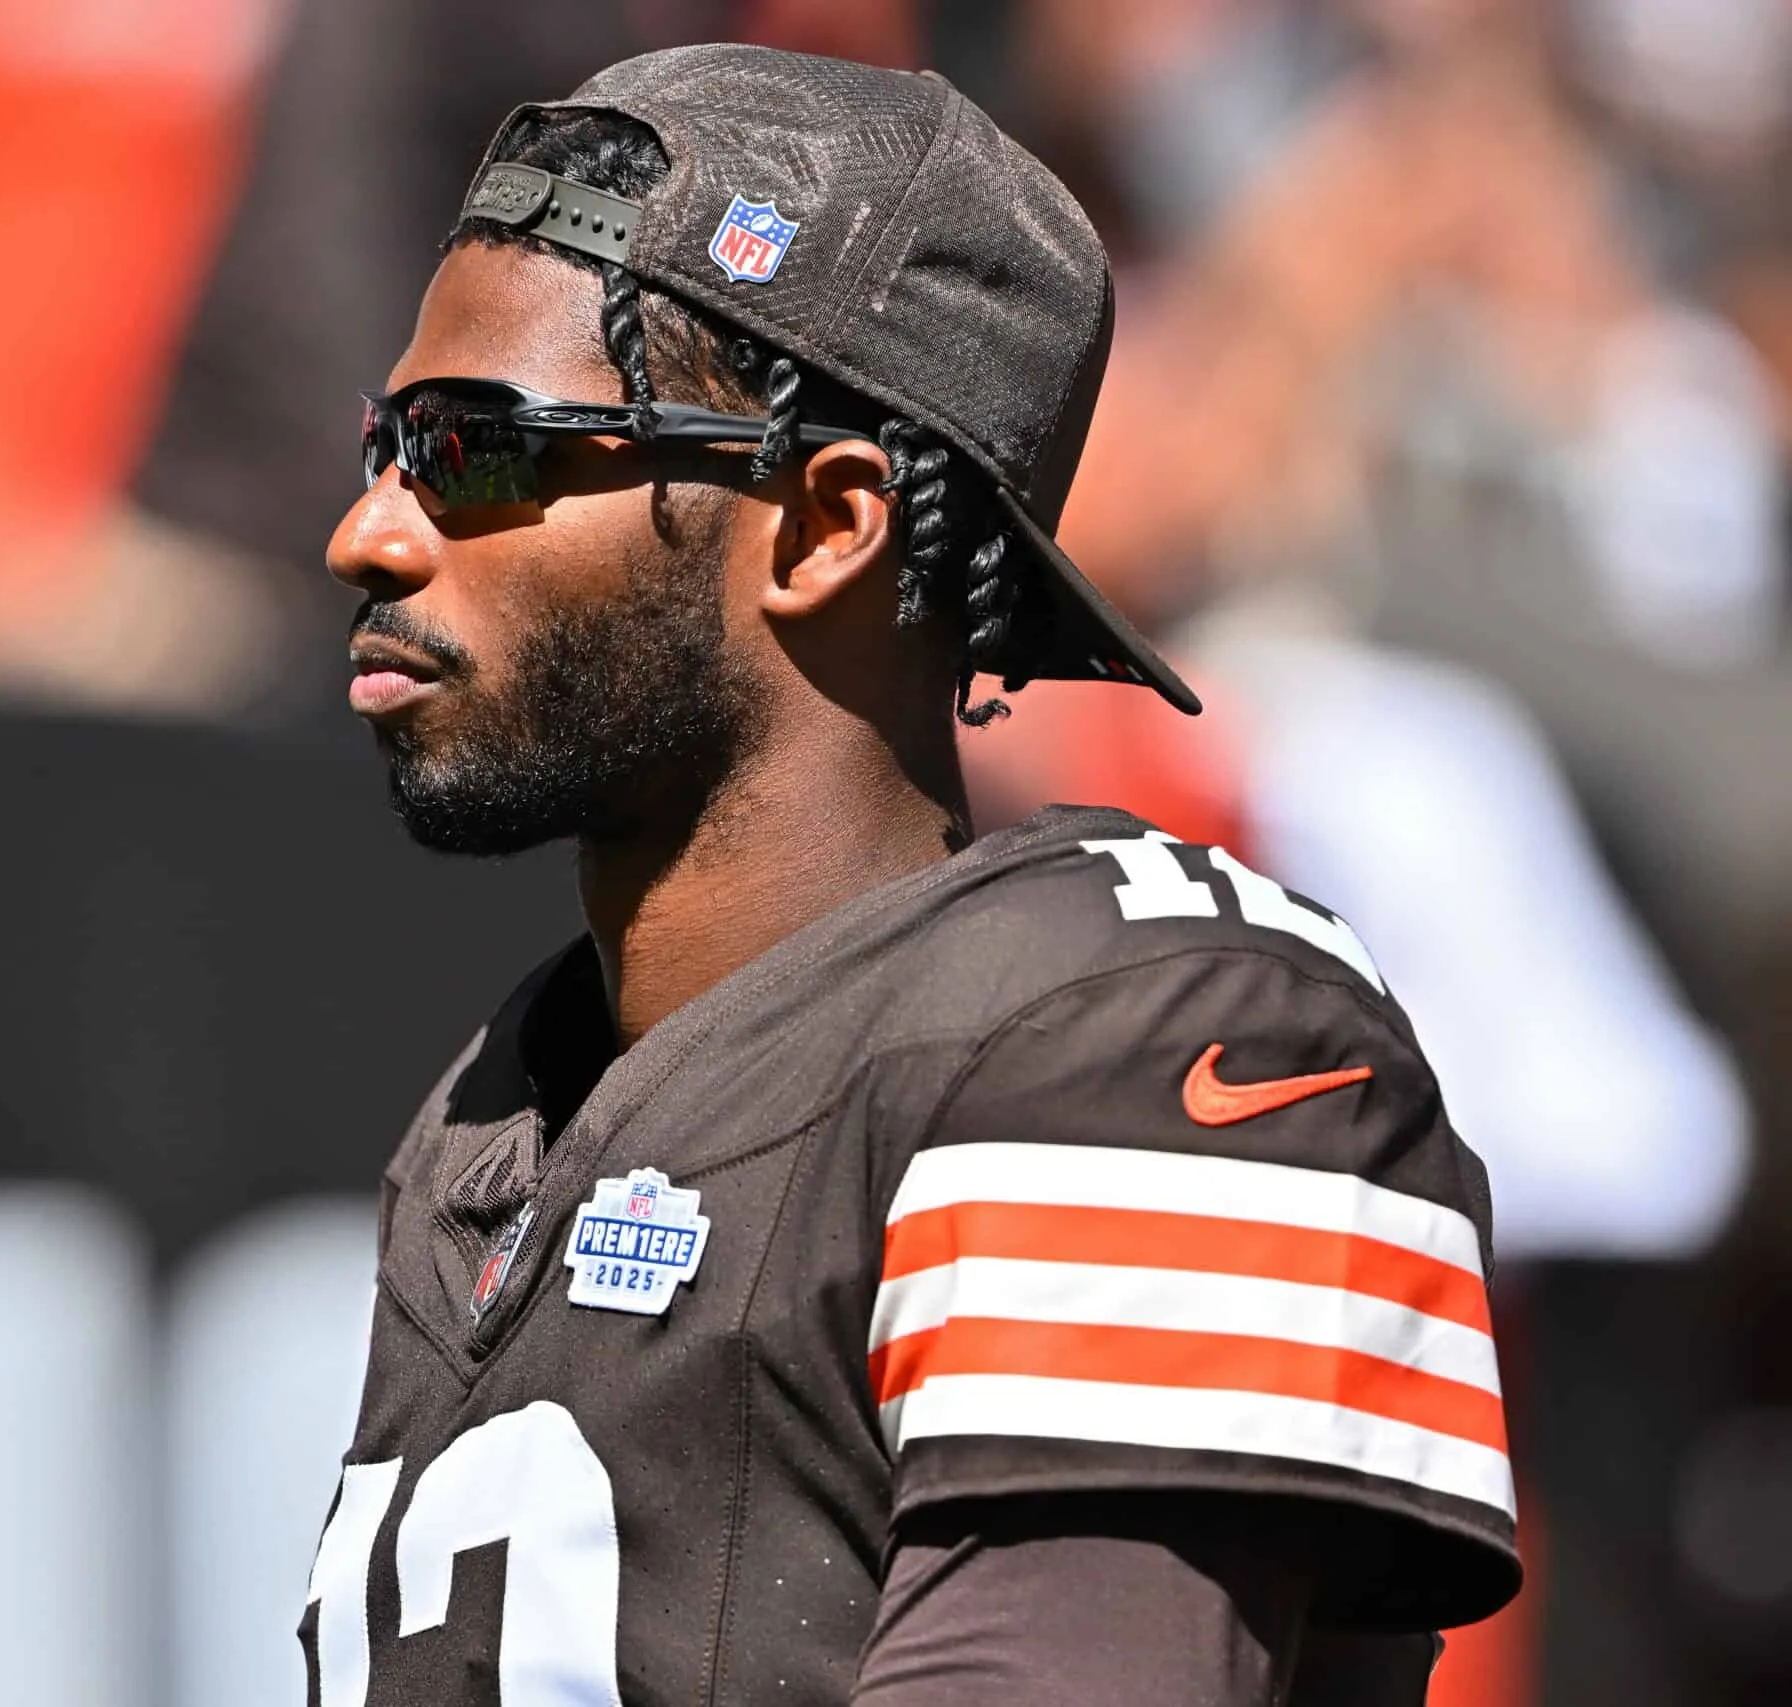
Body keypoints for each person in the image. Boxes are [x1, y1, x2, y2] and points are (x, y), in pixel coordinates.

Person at [310, 44, 1516, 1706]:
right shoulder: (510, 1102)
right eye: (386, 440)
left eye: (478, 448)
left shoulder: (1143, 1037)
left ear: (825, 526)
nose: (369, 530)